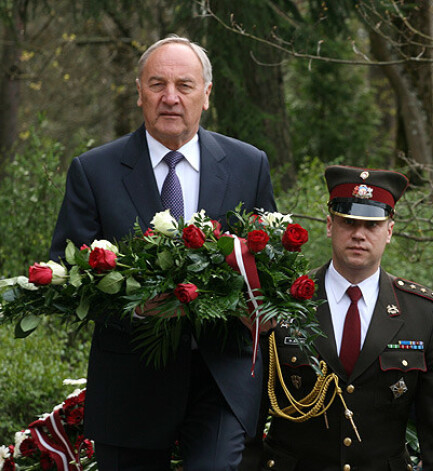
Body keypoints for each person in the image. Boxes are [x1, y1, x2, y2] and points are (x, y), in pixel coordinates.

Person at [49, 35, 277, 470]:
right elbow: (65, 273)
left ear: (206, 95)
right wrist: (135, 309)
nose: (170, 98)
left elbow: (269, 262)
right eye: (157, 84)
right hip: (130, 384)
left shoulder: (250, 165)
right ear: (139, 93)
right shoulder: (93, 171)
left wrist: (264, 309)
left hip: (221, 376)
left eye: (184, 86)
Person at [258, 165, 433, 471]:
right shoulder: (283, 299)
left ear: (390, 231)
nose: (358, 235)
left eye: (372, 225)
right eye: (348, 222)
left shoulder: (421, 312)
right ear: (329, 225)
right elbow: (248, 415)